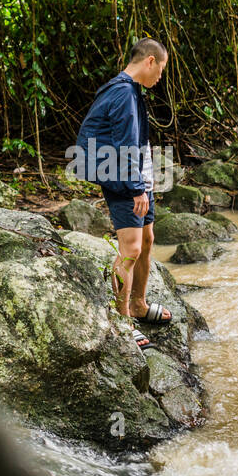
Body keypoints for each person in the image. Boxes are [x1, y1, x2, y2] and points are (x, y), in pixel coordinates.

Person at [74, 38, 171, 350]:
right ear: (150, 62)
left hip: (138, 176)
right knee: (130, 249)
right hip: (124, 180)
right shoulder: (122, 92)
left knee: (148, 238)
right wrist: (135, 189)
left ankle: (140, 305)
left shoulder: (130, 90)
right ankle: (123, 320)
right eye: (161, 69)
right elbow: (123, 145)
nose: (160, 78)